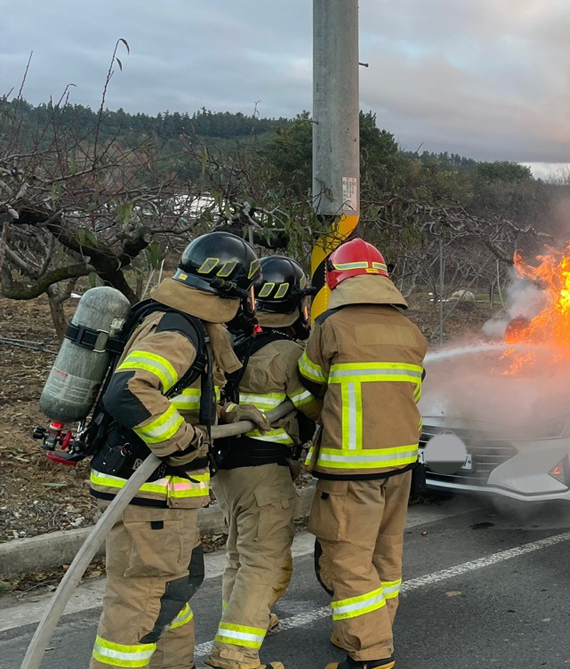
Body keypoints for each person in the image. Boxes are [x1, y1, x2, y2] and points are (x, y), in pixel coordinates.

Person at [89, 232, 270, 669]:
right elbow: (130, 391)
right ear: (230, 288)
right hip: (149, 491)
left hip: (162, 495)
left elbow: (177, 392)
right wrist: (187, 444)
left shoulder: (182, 319)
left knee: (176, 590)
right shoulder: (179, 329)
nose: (251, 301)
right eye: (249, 289)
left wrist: (226, 414)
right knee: (141, 606)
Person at [296, 238, 427, 669]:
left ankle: (371, 652)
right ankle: (371, 629)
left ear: (337, 280)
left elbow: (309, 386)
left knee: (348, 559)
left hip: (350, 471)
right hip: (401, 466)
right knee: (386, 553)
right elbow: (412, 392)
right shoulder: (411, 331)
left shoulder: (331, 327)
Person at [207, 257, 323, 669]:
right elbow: (312, 407)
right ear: (298, 304)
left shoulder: (232, 344)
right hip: (264, 472)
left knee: (240, 552)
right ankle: (236, 652)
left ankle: (244, 621)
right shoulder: (289, 352)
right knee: (262, 559)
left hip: (226, 471)